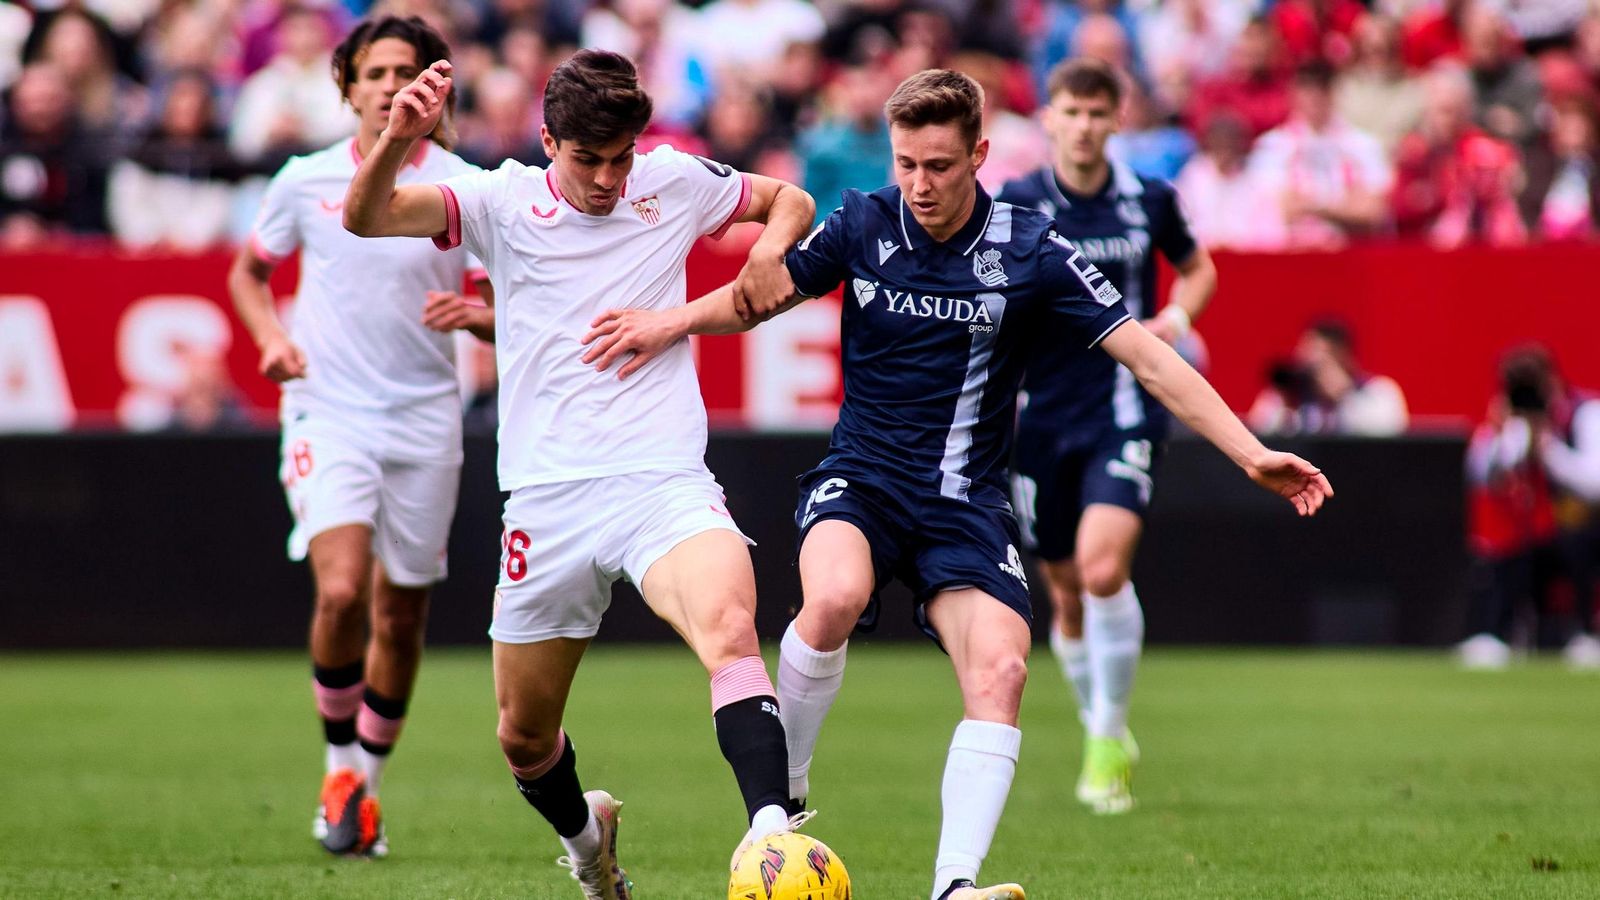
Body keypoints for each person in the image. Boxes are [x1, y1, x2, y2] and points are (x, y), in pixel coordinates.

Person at [581, 67, 1332, 900]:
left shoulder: (1032, 247)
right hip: (860, 481)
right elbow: (759, 299)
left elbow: (1150, 358)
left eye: (938, 166)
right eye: (905, 163)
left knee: (1003, 672)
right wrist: (671, 321)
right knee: (829, 598)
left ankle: (953, 887)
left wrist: (1250, 452)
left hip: (965, 503)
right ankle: (779, 807)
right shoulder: (863, 223)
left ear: (978, 153)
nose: (919, 184)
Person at [340, 49, 817, 898]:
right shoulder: (500, 199)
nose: (605, 179)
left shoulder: (669, 180)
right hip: (547, 498)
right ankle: (589, 843)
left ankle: (771, 839)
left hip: (659, 478)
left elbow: (790, 198)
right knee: (524, 737)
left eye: (620, 157)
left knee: (731, 628)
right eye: (586, 158)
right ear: (548, 140)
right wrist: (397, 138)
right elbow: (367, 217)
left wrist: (764, 253)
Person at [226, 15, 494, 859]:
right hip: (328, 409)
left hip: (425, 415)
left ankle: (366, 789)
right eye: (374, 71)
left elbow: (510, 306)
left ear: (430, 85)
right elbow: (249, 272)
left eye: (405, 70)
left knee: (403, 610)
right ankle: (340, 766)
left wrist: (479, 318)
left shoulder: (463, 186)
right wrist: (270, 337)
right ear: (347, 86)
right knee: (342, 590)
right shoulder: (303, 180)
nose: (389, 84)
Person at [994, 57, 1218, 817]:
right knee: (1064, 590)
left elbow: (1197, 269)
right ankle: (1103, 728)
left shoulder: (1148, 199)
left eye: (1098, 113)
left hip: (1125, 407)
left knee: (1099, 569)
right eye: (1072, 112)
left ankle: (1105, 742)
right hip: (1042, 418)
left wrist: (1178, 318)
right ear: (1049, 118)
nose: (1085, 126)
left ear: (1118, 119)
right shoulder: (1019, 202)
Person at [1462, 346, 1600, 670]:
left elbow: (1594, 484)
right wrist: (1501, 432)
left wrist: (1548, 447)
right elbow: (1481, 475)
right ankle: (1498, 632)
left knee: (1576, 541)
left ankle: (1583, 633)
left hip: (1584, 526)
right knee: (1506, 542)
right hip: (1535, 531)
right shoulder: (1513, 420)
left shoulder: (1586, 413)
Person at [1247, 319, 1408, 437]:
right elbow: (1258, 435)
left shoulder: (1378, 391)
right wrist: (1287, 402)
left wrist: (1344, 397)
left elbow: (1388, 434)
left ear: (1344, 356)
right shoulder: (1287, 392)